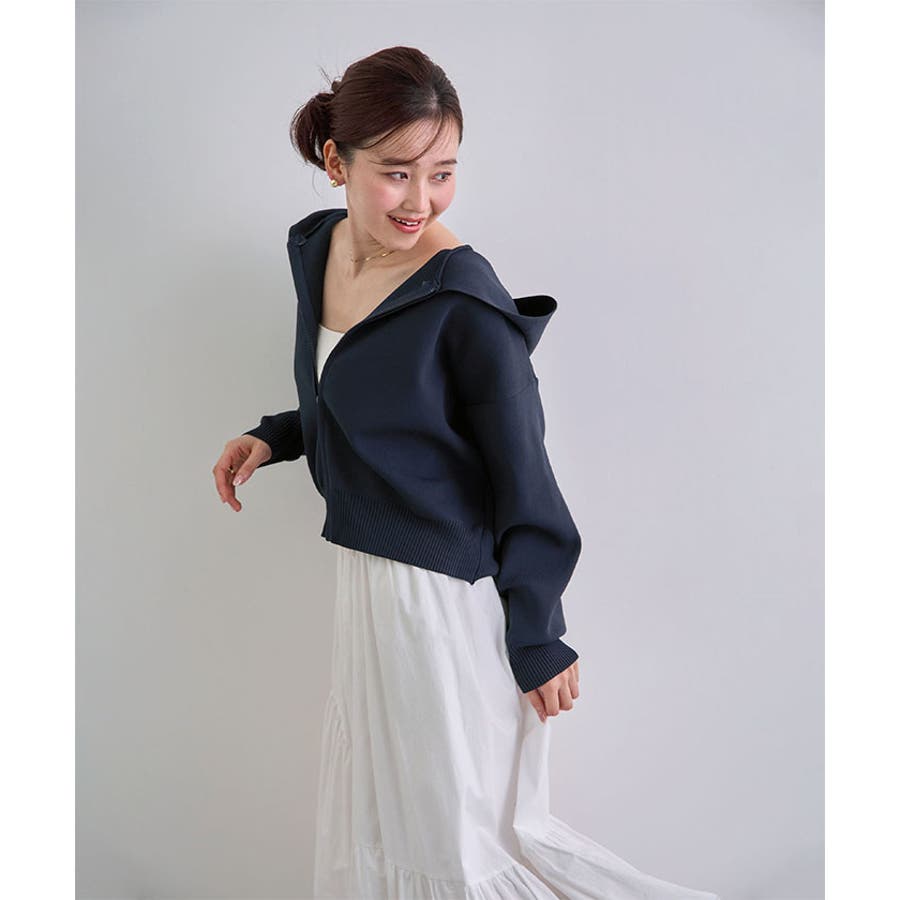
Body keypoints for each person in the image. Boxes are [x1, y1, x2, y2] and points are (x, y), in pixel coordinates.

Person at [212, 45, 720, 900]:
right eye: (397, 173)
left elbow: (525, 474)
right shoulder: (320, 248)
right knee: (389, 824)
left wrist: (538, 634)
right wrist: (275, 437)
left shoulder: (464, 301)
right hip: (367, 586)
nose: (421, 200)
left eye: (442, 174)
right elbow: (363, 399)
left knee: (459, 842)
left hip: (441, 600)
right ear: (336, 162)